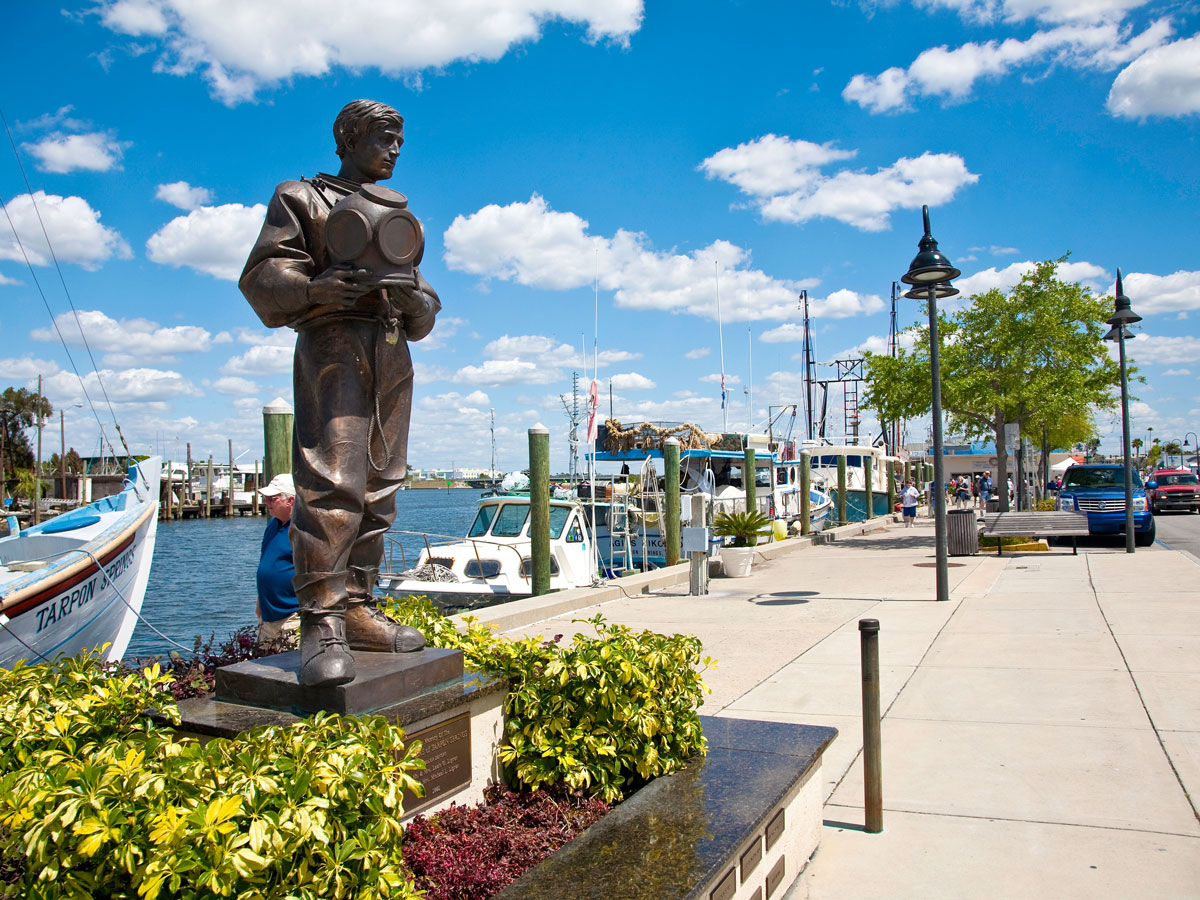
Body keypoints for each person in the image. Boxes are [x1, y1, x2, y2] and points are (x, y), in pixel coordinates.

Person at [240, 99, 437, 687]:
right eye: (383, 137)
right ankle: (322, 620)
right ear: (348, 139)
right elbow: (262, 277)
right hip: (332, 348)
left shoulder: (398, 214)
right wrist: (316, 288)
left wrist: (412, 298)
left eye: (400, 140)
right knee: (332, 482)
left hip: (390, 352)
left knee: (381, 482)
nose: (394, 149)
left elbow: (426, 306)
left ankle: (356, 606)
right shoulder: (302, 198)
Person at [256, 473, 299, 646]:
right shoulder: (273, 524)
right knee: (264, 661)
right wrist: (260, 601)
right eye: (265, 498)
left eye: (272, 499)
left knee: (290, 661)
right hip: (267, 618)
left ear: (290, 500)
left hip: (292, 617)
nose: (266, 502)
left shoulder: (301, 530)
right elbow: (265, 562)